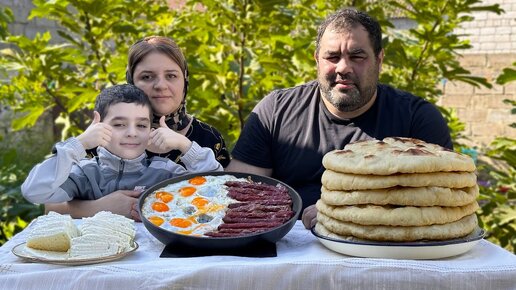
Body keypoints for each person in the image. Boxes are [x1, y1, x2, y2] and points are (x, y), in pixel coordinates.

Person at [226, 8, 453, 229]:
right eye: (332, 57)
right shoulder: (275, 111)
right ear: (316, 59)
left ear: (379, 59)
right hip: (290, 248)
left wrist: (336, 213)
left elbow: (445, 202)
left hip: (386, 251)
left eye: (357, 56)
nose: (343, 67)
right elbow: (237, 194)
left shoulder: (417, 119)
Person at [45, 36, 230, 219]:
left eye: (171, 75)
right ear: (131, 81)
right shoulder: (106, 137)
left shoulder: (208, 139)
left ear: (185, 81)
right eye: (147, 77)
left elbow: (227, 198)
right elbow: (51, 205)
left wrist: (184, 145)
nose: (160, 85)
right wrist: (99, 207)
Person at [22, 84, 222, 205]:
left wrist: (184, 145)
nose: (132, 132)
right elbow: (35, 192)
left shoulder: (165, 173)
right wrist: (78, 144)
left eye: (142, 125)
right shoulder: (85, 174)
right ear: (98, 126)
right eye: (119, 124)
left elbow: (218, 190)